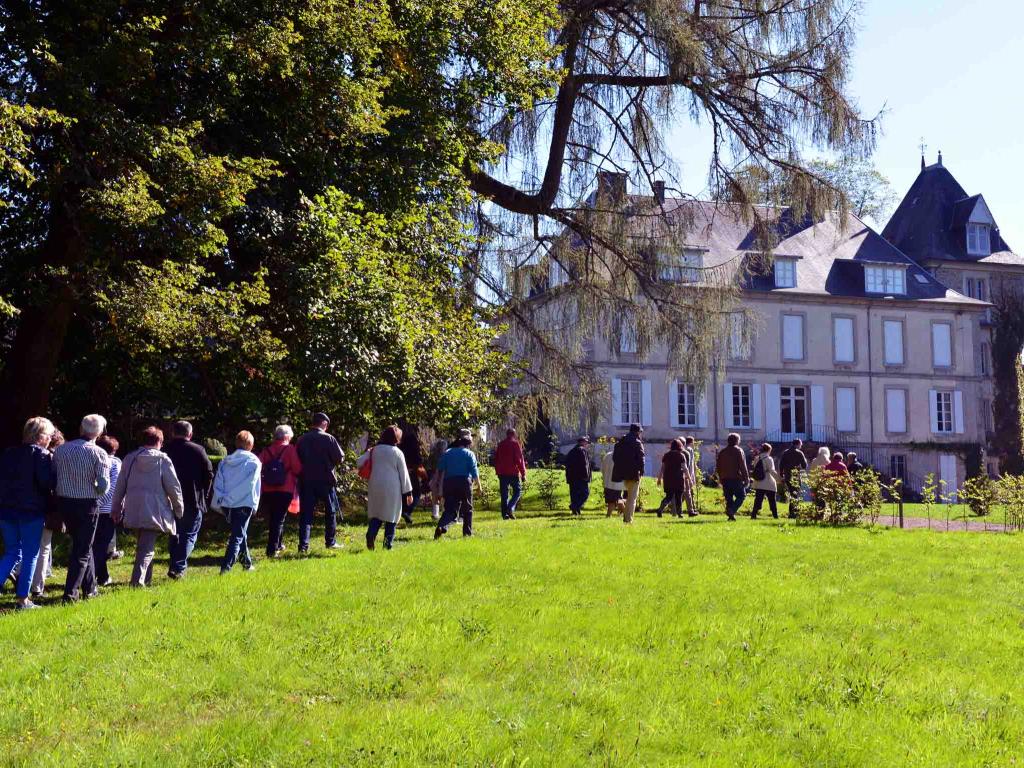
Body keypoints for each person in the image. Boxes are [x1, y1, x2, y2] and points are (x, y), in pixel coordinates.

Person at [110, 426, 184, 588]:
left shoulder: (130, 459)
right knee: (146, 548)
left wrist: (116, 507)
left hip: (134, 507)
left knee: (144, 545)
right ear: (159, 441)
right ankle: (137, 582)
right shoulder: (163, 460)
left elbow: (120, 485)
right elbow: (174, 487)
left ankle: (147, 579)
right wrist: (179, 509)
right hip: (155, 509)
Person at [52, 414, 112, 602]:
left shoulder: (61, 450)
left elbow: (54, 475)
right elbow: (103, 485)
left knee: (83, 545)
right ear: (100, 432)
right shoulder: (98, 453)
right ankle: (70, 593)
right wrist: (93, 489)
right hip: (87, 504)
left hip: (64, 502)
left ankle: (91, 588)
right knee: (82, 549)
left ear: (81, 428)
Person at [0, 417, 55, 609]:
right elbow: (46, 483)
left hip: (6, 510)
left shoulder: (8, 453)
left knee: (12, 552)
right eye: (49, 435)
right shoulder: (42, 455)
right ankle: (23, 599)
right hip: (31, 511)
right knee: (31, 554)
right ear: (40, 436)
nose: (50, 439)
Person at [165, 420, 215, 579]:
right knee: (189, 534)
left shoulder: (166, 450)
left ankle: (175, 563)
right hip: (192, 497)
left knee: (174, 533)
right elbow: (208, 474)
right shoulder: (198, 450)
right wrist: (205, 494)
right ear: (190, 434)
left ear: (173, 432)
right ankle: (178, 567)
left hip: (169, 498)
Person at [357, 426, 413, 550]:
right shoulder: (397, 452)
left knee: (377, 513)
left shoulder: (374, 450)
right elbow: (403, 474)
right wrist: (408, 492)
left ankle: (371, 534)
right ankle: (388, 545)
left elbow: (359, 462)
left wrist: (369, 452)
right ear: (397, 438)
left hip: (375, 485)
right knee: (392, 516)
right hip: (392, 487)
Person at [213, 431, 262, 573]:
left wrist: (222, 499)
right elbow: (252, 484)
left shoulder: (225, 461)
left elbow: (219, 482)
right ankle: (225, 568)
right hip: (244, 502)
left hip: (227, 503)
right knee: (238, 536)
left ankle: (246, 564)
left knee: (240, 532)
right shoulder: (254, 461)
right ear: (251, 445)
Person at [296, 413, 343, 552]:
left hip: (306, 480)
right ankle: (330, 542)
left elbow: (296, 458)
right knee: (330, 512)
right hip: (326, 480)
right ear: (324, 423)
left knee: (306, 514)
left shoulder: (302, 439)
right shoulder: (329, 438)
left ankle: (303, 546)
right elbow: (340, 458)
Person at [258, 425, 303, 558]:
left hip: (268, 489)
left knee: (274, 518)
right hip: (285, 489)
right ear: (287, 436)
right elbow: (297, 469)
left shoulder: (267, 450)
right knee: (279, 519)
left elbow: (258, 466)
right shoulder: (290, 449)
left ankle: (278, 544)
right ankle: (272, 550)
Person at [31, 429, 65, 597]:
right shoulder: (52, 459)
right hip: (47, 507)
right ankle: (37, 586)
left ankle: (23, 576)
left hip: (29, 507)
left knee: (28, 546)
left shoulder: (32, 456)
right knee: (44, 547)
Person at [434, 429, 482, 539]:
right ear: (469, 442)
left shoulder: (447, 453)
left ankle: (441, 526)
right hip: (464, 482)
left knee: (450, 509)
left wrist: (438, 488)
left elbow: (440, 470)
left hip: (449, 483)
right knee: (467, 508)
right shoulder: (470, 454)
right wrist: (479, 486)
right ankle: (467, 533)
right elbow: (474, 471)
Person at [93, 435, 121, 587]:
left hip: (95, 508)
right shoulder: (115, 463)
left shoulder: (95, 459)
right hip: (107, 510)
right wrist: (100, 503)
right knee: (101, 546)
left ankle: (101, 575)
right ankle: (100, 576)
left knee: (97, 545)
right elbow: (114, 488)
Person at [611, 424, 645, 524]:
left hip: (622, 473)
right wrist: (641, 471)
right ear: (637, 432)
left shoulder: (621, 442)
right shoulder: (637, 443)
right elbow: (641, 459)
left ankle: (625, 515)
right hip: (634, 473)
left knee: (628, 496)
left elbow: (615, 458)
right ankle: (628, 519)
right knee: (632, 498)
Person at [494, 428, 527, 520]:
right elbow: (519, 459)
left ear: (506, 434)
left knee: (504, 495)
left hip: (502, 473)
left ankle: (505, 515)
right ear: (514, 434)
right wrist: (523, 473)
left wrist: (497, 471)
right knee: (517, 491)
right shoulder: (515, 444)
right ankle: (510, 508)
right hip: (513, 472)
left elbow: (496, 459)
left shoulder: (500, 444)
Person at [715, 433, 749, 521]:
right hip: (736, 478)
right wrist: (746, 478)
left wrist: (720, 478)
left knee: (729, 498)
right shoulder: (739, 450)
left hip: (725, 478)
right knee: (741, 496)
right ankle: (732, 511)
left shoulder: (722, 452)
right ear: (737, 441)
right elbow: (743, 466)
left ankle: (731, 515)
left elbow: (718, 466)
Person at [657, 439, 693, 518]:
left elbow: (662, 468)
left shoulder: (666, 455)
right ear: (680, 446)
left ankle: (660, 509)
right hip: (678, 479)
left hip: (668, 479)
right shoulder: (681, 455)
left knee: (668, 496)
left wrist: (659, 479)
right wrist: (690, 479)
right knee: (678, 497)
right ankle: (680, 513)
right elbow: (685, 468)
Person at [397, 425, 424, 524]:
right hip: (411, 470)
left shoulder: (399, 444)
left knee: (403, 493)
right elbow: (417, 458)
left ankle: (403, 511)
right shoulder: (412, 442)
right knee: (416, 492)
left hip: (400, 470)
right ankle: (407, 511)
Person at [750, 442, 781, 519]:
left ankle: (753, 514)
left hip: (758, 482)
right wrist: (779, 479)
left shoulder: (757, 458)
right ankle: (775, 515)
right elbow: (772, 471)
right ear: (769, 450)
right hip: (768, 482)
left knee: (758, 499)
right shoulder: (769, 459)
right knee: (772, 500)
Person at [779, 439, 808, 518]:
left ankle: (793, 512)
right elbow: (804, 466)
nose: (801, 446)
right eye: (800, 445)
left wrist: (782, 474)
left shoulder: (785, 452)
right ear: (798, 444)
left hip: (787, 476)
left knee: (792, 494)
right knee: (795, 495)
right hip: (795, 476)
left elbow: (781, 465)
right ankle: (793, 513)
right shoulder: (799, 453)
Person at [564, 436, 592, 516]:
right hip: (581, 477)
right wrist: (586, 476)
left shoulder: (572, 451)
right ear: (582, 442)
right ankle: (574, 506)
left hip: (572, 477)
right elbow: (584, 465)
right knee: (585, 493)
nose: (587, 444)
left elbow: (567, 464)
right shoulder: (582, 450)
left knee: (574, 495)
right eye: (586, 442)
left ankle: (576, 511)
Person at [425, 439, 448, 521]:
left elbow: (428, 467)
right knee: (444, 495)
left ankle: (436, 514)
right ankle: (443, 513)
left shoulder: (432, 455)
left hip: (435, 476)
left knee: (435, 496)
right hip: (443, 476)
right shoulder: (446, 455)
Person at [600, 444, 625, 517]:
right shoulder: (621, 457)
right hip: (616, 483)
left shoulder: (607, 455)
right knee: (614, 500)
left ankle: (624, 513)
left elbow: (602, 469)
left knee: (613, 499)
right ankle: (609, 515)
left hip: (607, 482)